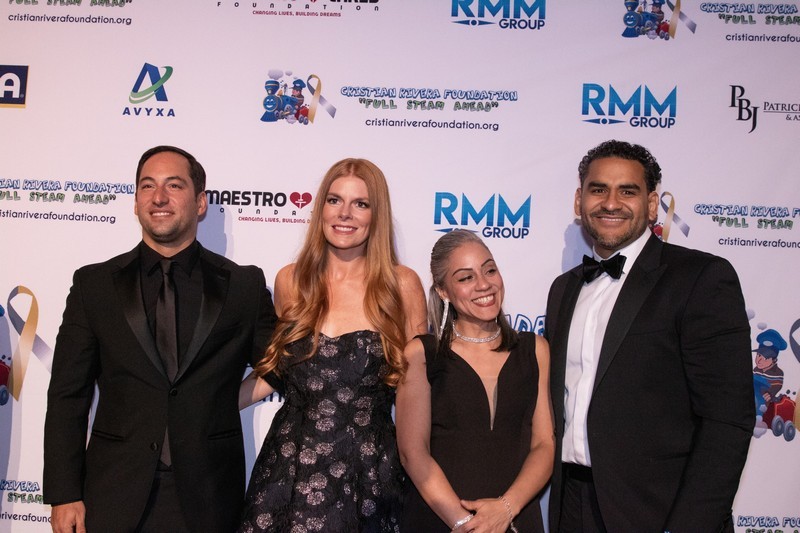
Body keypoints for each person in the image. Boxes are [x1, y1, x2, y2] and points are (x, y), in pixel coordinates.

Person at [43, 145, 277, 532]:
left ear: (200, 202)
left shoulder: (243, 286)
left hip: (210, 496)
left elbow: (281, 363)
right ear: (136, 202)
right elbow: (68, 394)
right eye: (147, 186)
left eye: (174, 185)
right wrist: (64, 493)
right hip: (112, 493)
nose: (159, 197)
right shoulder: (94, 285)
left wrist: (224, 401)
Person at [545, 140, 754, 532]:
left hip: (657, 512)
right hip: (571, 506)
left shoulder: (700, 278)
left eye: (628, 191)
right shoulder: (563, 289)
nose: (611, 203)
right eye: (598, 189)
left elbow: (727, 421)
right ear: (578, 200)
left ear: (653, 204)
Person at [237, 158, 427, 532]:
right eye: (334, 200)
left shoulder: (401, 285)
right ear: (321, 208)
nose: (344, 214)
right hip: (288, 468)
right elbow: (279, 373)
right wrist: (202, 411)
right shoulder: (292, 281)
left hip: (367, 472)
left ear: (377, 215)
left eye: (361, 203)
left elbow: (417, 392)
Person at [397, 229, 555, 533]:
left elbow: (544, 444)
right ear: (443, 291)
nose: (484, 284)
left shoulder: (535, 349)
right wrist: (467, 525)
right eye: (466, 277)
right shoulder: (421, 354)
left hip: (517, 520)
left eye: (489, 270)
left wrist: (505, 509)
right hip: (442, 522)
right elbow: (412, 453)